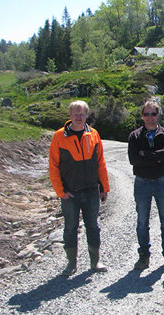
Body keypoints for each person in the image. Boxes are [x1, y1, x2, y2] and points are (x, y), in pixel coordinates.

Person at [49, 100, 110, 276]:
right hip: (70, 192)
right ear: (70, 115)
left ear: (86, 115)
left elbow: (101, 163)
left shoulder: (93, 134)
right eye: (75, 113)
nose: (78, 117)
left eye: (81, 113)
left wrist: (104, 187)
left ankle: (95, 262)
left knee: (93, 226)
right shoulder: (59, 136)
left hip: (91, 190)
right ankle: (71, 265)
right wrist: (60, 191)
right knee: (70, 228)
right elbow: (53, 166)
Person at [128, 101, 164, 270]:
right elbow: (134, 160)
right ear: (142, 116)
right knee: (142, 221)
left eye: (153, 114)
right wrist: (157, 157)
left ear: (158, 115)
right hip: (142, 182)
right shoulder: (134, 136)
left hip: (162, 181)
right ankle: (143, 256)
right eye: (146, 114)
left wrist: (146, 154)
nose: (150, 118)